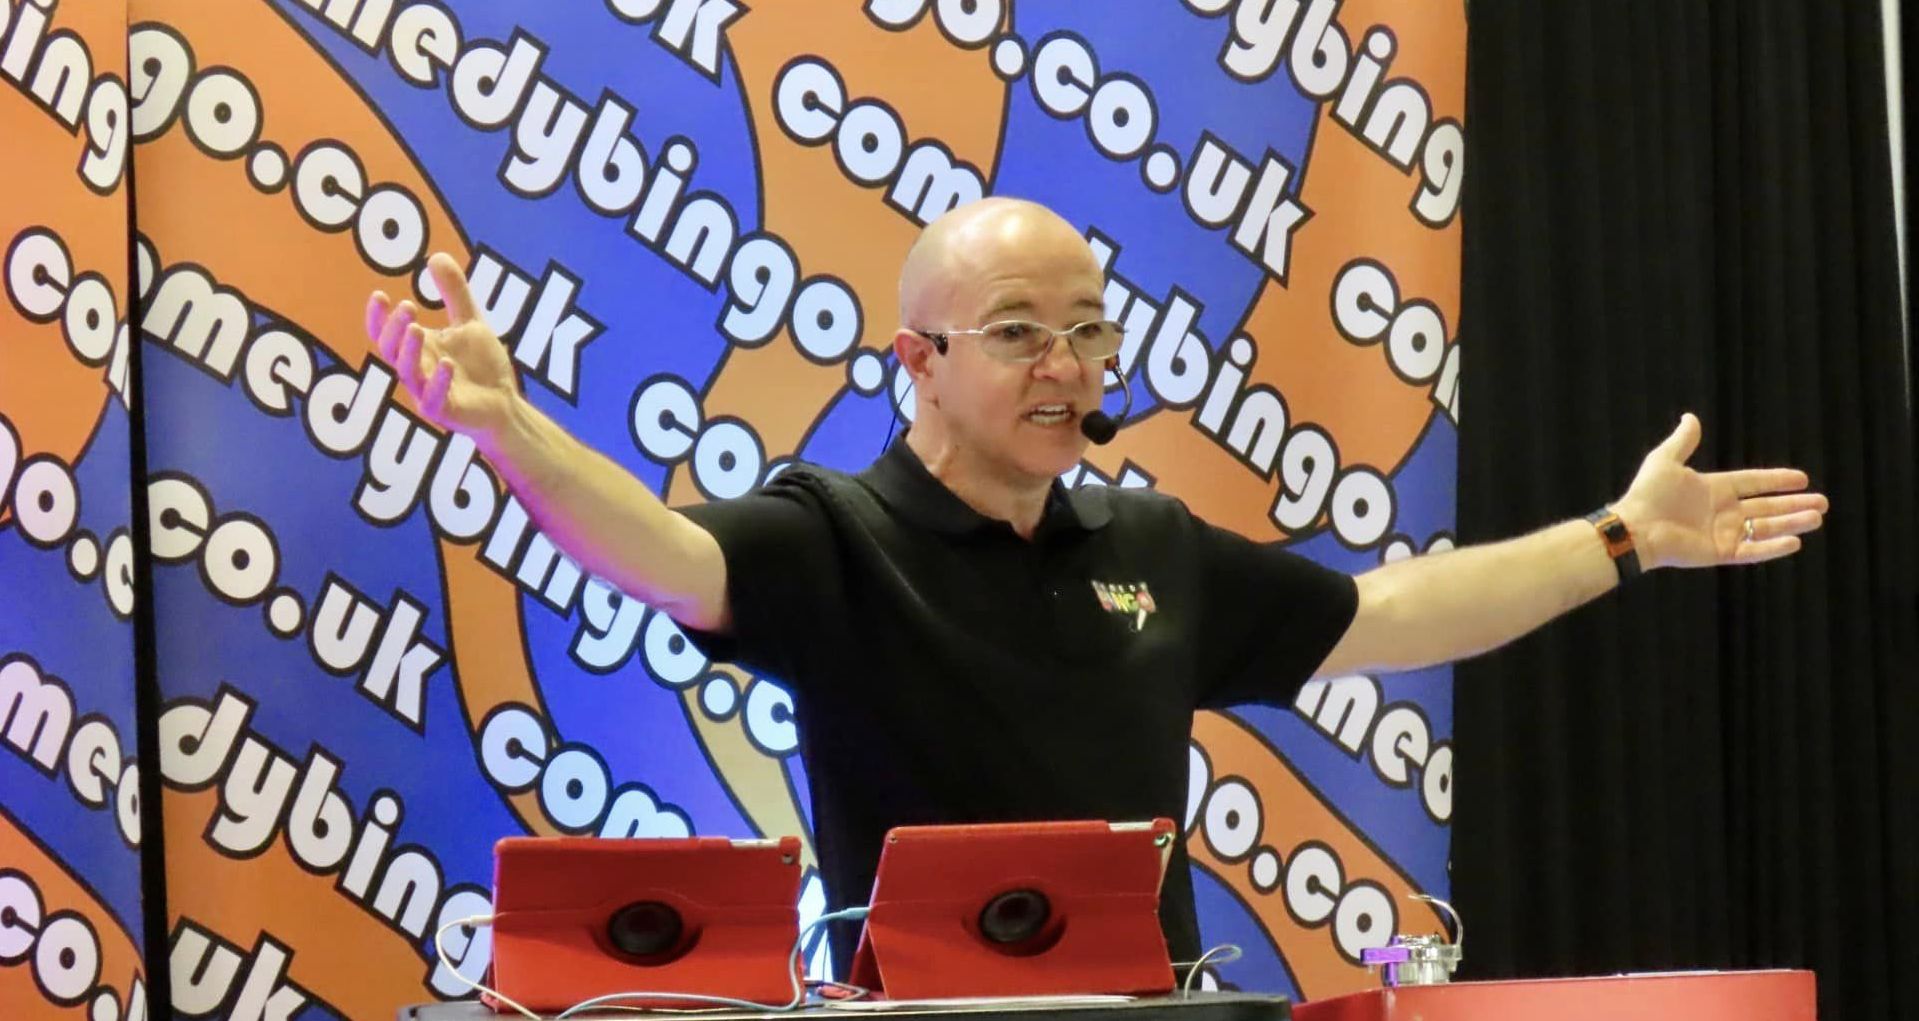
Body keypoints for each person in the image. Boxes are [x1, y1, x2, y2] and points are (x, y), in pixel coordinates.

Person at [364, 197, 1827, 976]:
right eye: (1019, 332)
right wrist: (513, 430)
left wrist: (1627, 538)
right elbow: (664, 554)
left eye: (1088, 332)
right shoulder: (831, 536)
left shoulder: (1148, 547)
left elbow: (1391, 616)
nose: (1067, 367)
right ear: (917, 362)